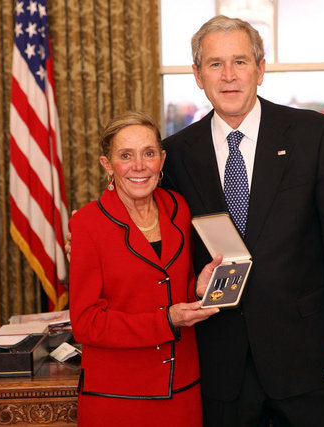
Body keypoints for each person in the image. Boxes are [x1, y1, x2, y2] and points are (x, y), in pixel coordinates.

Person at [161, 15, 324, 426]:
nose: (228, 76)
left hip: (309, 360)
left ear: (260, 69)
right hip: (220, 365)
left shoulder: (314, 135)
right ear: (197, 74)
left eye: (240, 62)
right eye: (215, 64)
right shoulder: (177, 154)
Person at [68, 111, 222, 427]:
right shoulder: (86, 224)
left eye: (148, 153)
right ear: (107, 165)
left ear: (162, 159)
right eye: (126, 156)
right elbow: (86, 323)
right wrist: (165, 321)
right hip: (118, 397)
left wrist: (196, 288)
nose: (139, 166)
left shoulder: (179, 208)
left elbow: (168, 284)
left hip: (182, 390)